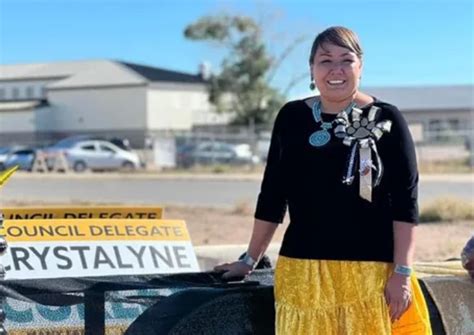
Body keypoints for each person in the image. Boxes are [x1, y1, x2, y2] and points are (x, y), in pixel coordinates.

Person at [215, 26, 432, 334]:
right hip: (303, 272)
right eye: (325, 60)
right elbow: (273, 195)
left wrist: (401, 272)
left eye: (346, 60)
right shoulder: (291, 117)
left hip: (372, 272)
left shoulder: (387, 118)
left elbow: (406, 201)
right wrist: (249, 259)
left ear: (361, 66)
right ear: (311, 69)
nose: (336, 70)